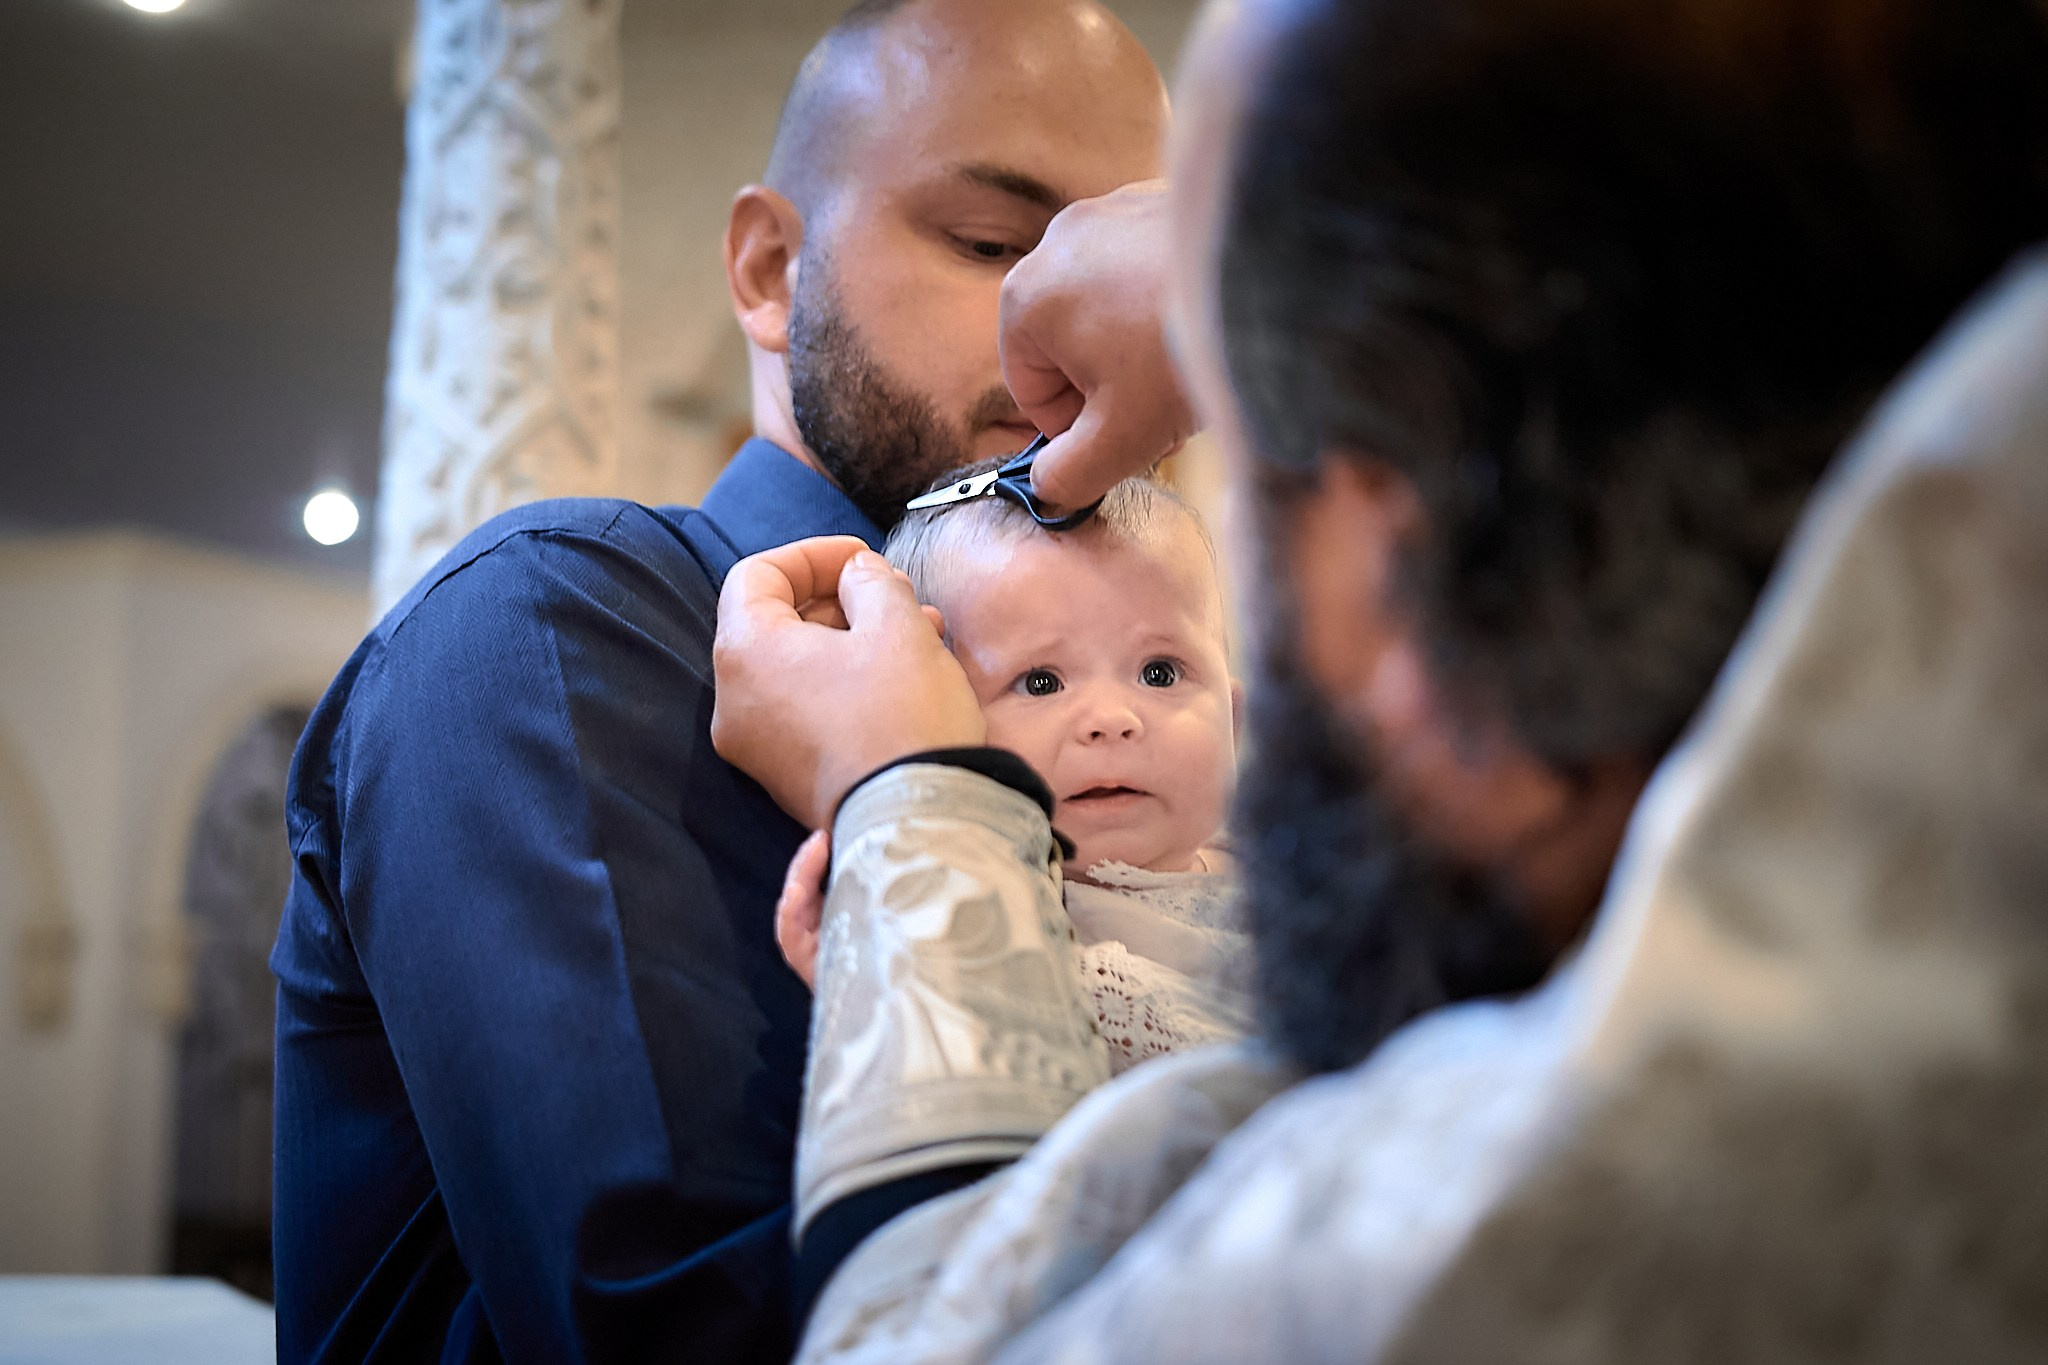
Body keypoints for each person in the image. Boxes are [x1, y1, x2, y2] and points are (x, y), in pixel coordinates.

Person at [709, 0, 2048, 1357]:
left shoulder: (1490, 1214)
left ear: (1392, 571)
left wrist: (919, 806)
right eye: (990, 242)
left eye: (1250, 470)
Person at [268, 2, 1169, 1360]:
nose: (1066, 331)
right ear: (767, 268)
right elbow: (670, 1330)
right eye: (992, 246)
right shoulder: (554, 617)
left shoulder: (1156, 720)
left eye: (1124, 278)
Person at [773, 468, 1253, 1077]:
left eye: (1160, 672)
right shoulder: (988, 921)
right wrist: (869, 967)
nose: (1111, 719)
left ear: (1233, 720)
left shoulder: (1285, 875)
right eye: (1041, 682)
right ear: (937, 720)